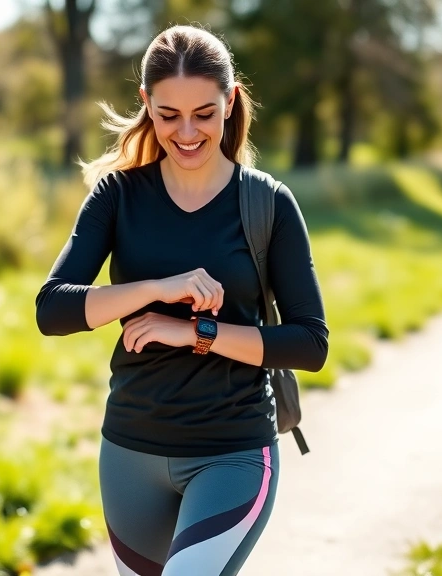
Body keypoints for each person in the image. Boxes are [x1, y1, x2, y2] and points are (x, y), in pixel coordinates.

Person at [35, 24, 329, 576]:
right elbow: (52, 310)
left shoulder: (268, 203)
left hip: (233, 452)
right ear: (146, 103)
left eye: (205, 114)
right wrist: (154, 290)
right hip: (129, 453)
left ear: (230, 101)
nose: (188, 132)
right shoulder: (118, 196)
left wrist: (197, 332)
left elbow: (310, 344)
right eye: (169, 115)